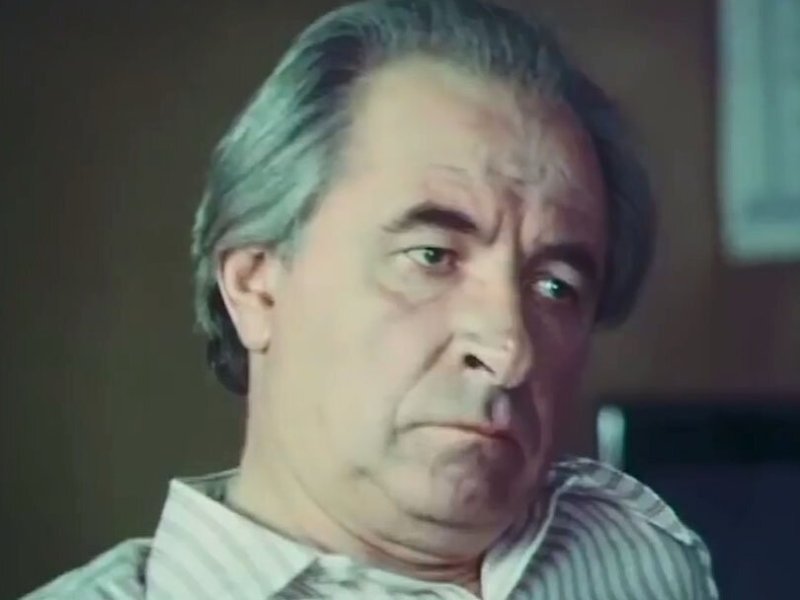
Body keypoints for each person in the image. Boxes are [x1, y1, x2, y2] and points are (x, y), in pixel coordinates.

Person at [24, 0, 718, 598]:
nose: (509, 350)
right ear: (255, 286)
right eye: (431, 256)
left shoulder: (646, 558)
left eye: (555, 286)